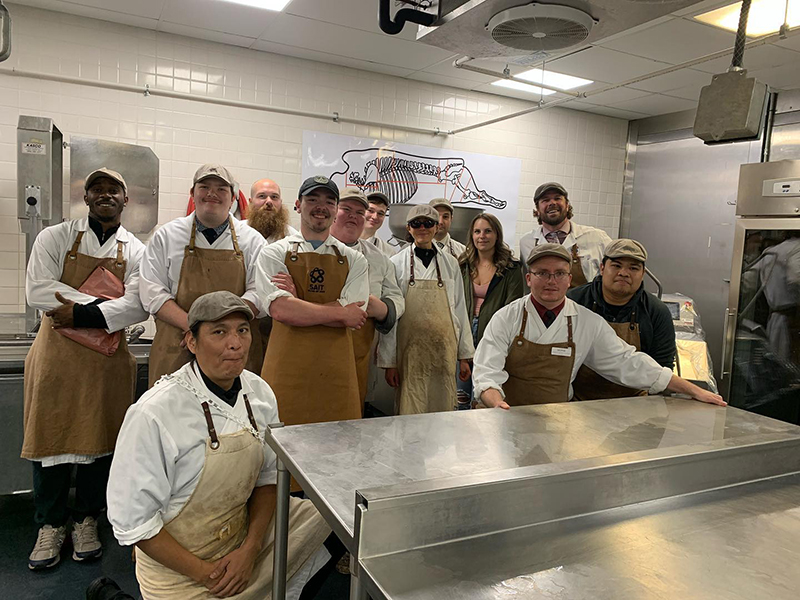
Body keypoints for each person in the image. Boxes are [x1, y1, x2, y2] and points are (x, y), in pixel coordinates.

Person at [107, 291, 330, 599]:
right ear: (191, 341)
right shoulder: (155, 413)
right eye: (219, 332)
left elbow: (267, 479)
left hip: (239, 538)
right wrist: (209, 575)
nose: (235, 344)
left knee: (329, 520)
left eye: (242, 330)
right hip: (181, 568)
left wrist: (249, 549)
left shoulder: (260, 393)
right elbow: (135, 524)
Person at [22, 168, 149, 570]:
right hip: (55, 358)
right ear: (87, 197)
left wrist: (76, 311)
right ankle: (50, 524)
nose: (105, 195)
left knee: (100, 442)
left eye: (114, 189)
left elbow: (138, 305)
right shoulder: (55, 237)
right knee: (51, 439)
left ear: (125, 200)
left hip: (107, 363)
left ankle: (86, 520)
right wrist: (103, 308)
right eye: (97, 189)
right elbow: (38, 289)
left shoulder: (137, 251)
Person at [473, 244, 727, 409]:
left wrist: (692, 389)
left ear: (569, 280)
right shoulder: (506, 317)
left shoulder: (587, 322)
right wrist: (496, 404)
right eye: (542, 273)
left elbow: (627, 361)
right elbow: (487, 370)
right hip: (505, 415)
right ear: (529, 279)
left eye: (559, 273)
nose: (551, 281)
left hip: (558, 421)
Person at [255, 176, 369, 427]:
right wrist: (338, 313)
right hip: (286, 372)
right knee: (279, 454)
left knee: (338, 450)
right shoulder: (273, 253)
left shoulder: (355, 259)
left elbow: (355, 314)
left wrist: (299, 302)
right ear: (298, 205)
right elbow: (281, 310)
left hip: (336, 374)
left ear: (335, 210)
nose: (321, 206)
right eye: (312, 199)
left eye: (329, 201)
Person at [140, 164, 266, 386]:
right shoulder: (167, 236)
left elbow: (260, 291)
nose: (212, 194)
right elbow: (152, 291)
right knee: (172, 413)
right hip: (177, 344)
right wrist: (193, 327)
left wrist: (221, 332)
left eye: (221, 189)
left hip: (233, 348)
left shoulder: (252, 240)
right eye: (204, 187)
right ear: (193, 193)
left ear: (233, 197)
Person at [379, 204, 474, 414]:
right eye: (416, 223)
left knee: (443, 408)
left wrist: (464, 355)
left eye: (428, 223)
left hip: (444, 352)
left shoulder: (450, 263)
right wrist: (389, 362)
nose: (423, 228)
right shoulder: (395, 263)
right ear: (409, 228)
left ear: (436, 227)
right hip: (409, 354)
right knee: (410, 406)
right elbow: (391, 316)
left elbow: (459, 309)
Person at [568, 239, 677, 400]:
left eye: (633, 268)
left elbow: (663, 366)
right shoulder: (574, 302)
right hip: (577, 403)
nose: (624, 273)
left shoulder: (657, 311)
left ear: (643, 274)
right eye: (616, 266)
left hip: (634, 403)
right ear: (602, 268)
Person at [330, 188, 405, 408]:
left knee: (354, 408)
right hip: (318, 345)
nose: (354, 216)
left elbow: (397, 298)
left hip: (360, 350)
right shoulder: (312, 249)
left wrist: (383, 309)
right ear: (334, 211)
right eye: (346, 209)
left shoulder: (380, 259)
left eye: (360, 212)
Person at [457, 212, 525, 404]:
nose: (482, 236)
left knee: (486, 393)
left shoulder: (511, 268)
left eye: (488, 231)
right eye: (477, 231)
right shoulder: (462, 265)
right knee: (461, 395)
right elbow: (455, 302)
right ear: (471, 235)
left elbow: (513, 307)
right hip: (464, 333)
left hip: (494, 333)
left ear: (497, 235)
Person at [518, 182, 611, 287]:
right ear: (538, 210)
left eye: (557, 198)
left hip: (585, 303)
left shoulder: (597, 237)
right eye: (545, 200)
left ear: (567, 205)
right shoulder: (526, 242)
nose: (552, 203)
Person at [247, 178, 298, 244]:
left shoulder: (293, 238)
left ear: (280, 202)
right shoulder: (239, 233)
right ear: (251, 202)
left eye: (274, 197)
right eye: (262, 196)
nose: (269, 201)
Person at [360, 191, 397, 256]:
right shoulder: (341, 242)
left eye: (380, 213)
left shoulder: (389, 253)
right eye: (370, 211)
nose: (375, 217)